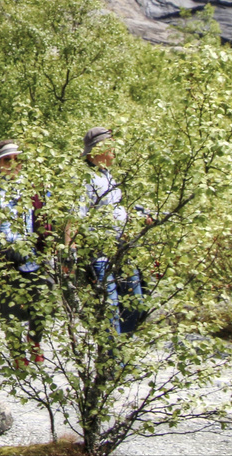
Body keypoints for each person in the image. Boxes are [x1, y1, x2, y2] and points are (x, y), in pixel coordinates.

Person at [75, 126, 144, 335]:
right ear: (98, 150)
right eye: (110, 145)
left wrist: (137, 218)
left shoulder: (108, 176)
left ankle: (120, 350)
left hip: (120, 250)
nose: (115, 149)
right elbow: (74, 217)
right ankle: (112, 361)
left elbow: (115, 210)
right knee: (110, 309)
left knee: (136, 302)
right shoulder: (85, 179)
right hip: (99, 254)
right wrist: (70, 254)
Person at [0, 139, 46, 363]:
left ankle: (34, 339)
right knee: (8, 303)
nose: (13, 163)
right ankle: (15, 348)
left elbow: (43, 219)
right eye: (7, 159)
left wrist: (47, 247)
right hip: (3, 251)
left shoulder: (32, 186)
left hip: (30, 251)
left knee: (42, 295)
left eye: (17, 159)